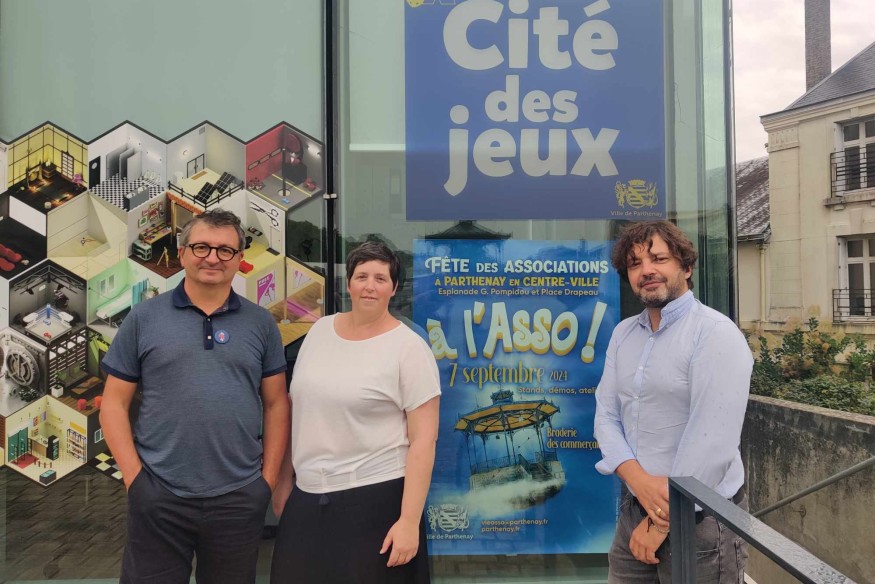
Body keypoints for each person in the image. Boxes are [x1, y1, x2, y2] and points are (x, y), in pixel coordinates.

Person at [99, 209, 290, 584]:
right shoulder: (144, 318)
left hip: (238, 496)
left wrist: (265, 482)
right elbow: (113, 403)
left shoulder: (261, 323)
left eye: (225, 250)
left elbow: (277, 403)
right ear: (182, 252)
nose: (212, 258)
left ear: (239, 259)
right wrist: (136, 481)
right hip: (159, 493)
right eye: (202, 247)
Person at [270, 241, 441, 584]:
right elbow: (296, 410)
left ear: (394, 287)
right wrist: (282, 485)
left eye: (380, 278)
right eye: (362, 276)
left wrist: (409, 522)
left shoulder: (409, 348)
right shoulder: (319, 331)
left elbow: (424, 440)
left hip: (375, 499)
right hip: (308, 496)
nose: (370, 286)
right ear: (348, 283)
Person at [594, 220, 752, 583]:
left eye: (659, 259)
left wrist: (660, 523)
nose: (646, 270)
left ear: (686, 267)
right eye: (635, 264)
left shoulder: (715, 334)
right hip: (635, 511)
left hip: (700, 523)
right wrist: (637, 480)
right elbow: (606, 415)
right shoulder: (623, 334)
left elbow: (712, 444)